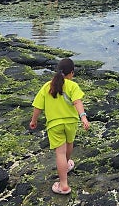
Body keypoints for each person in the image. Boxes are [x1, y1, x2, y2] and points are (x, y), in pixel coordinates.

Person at [29, 58, 90, 195]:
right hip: (71, 122)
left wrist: (34, 121)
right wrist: (83, 117)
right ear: (72, 73)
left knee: (60, 153)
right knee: (69, 144)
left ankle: (63, 185)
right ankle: (66, 165)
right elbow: (77, 102)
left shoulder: (47, 86)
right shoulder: (72, 86)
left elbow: (37, 107)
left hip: (55, 124)